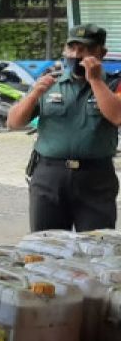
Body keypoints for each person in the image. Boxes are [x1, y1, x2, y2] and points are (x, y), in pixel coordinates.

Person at [8, 24, 121, 232]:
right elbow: (14, 123)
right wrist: (34, 94)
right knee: (46, 247)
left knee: (94, 249)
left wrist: (95, 80)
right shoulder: (51, 82)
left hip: (95, 178)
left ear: (101, 53)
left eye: (85, 49)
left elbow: (117, 116)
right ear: (64, 50)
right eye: (72, 48)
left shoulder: (114, 84)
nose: (77, 55)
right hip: (49, 175)